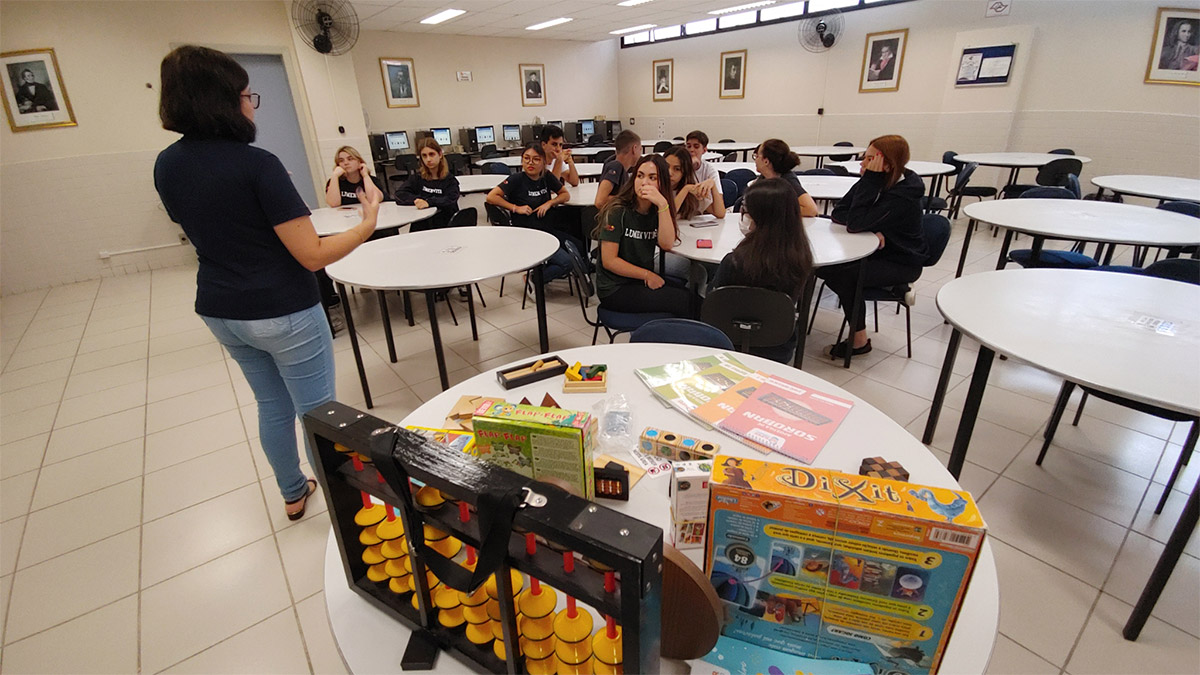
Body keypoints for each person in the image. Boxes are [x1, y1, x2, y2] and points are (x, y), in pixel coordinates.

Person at [154, 45, 380, 520]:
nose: (249, 104)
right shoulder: (258, 165)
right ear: (225, 101)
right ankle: (347, 507)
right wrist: (366, 223)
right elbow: (312, 255)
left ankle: (293, 492)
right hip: (284, 310)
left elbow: (198, 223)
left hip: (221, 308)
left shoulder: (167, 164)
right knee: (319, 411)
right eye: (245, 95)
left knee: (272, 405)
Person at [814, 134, 927, 359]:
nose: (862, 163)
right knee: (824, 268)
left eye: (868, 159)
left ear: (885, 164)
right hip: (877, 251)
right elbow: (840, 212)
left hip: (901, 260)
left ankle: (859, 340)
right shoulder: (880, 180)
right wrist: (872, 229)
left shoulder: (903, 194)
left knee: (845, 275)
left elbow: (854, 222)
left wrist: (870, 181)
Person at [711, 178, 815, 363]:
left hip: (728, 342)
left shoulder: (734, 261)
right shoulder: (801, 259)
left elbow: (714, 300)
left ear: (759, 218)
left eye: (746, 211)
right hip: (778, 345)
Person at [593, 154, 699, 318]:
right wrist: (647, 275)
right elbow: (609, 261)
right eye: (640, 176)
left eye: (652, 178)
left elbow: (666, 244)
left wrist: (663, 205)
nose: (644, 183)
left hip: (637, 280)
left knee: (693, 297)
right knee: (685, 302)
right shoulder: (617, 210)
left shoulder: (657, 209)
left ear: (662, 183)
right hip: (614, 288)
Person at [485, 142, 574, 283]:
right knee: (567, 262)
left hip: (547, 230)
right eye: (526, 158)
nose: (530, 163)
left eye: (536, 159)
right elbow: (491, 197)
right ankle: (532, 280)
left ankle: (542, 270)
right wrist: (515, 207)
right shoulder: (516, 179)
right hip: (528, 234)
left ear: (544, 162)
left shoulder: (546, 176)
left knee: (579, 248)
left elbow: (565, 194)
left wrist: (549, 202)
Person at [393, 137, 460, 232]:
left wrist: (429, 202)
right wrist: (419, 200)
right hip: (422, 224)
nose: (428, 159)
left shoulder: (449, 180)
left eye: (431, 154)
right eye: (424, 156)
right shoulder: (417, 178)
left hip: (444, 225)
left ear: (440, 154)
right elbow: (399, 194)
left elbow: (450, 199)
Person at [754, 139, 819, 217]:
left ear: (766, 161)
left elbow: (811, 209)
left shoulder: (788, 181)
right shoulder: (763, 178)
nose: (755, 160)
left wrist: (775, 210)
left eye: (756, 156)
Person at [664, 145, 725, 219]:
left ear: (685, 172)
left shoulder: (691, 190)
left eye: (677, 169)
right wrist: (685, 190)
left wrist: (713, 184)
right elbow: (668, 216)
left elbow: (720, 213)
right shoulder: (656, 187)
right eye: (666, 167)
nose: (669, 173)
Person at [594, 129, 642, 209]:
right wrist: (629, 198)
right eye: (640, 149)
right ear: (634, 148)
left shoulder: (618, 166)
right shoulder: (616, 167)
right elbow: (600, 201)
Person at [684, 130, 724, 206]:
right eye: (688, 146)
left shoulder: (710, 169)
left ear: (704, 150)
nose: (691, 150)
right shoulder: (679, 168)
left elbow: (719, 199)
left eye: (696, 146)